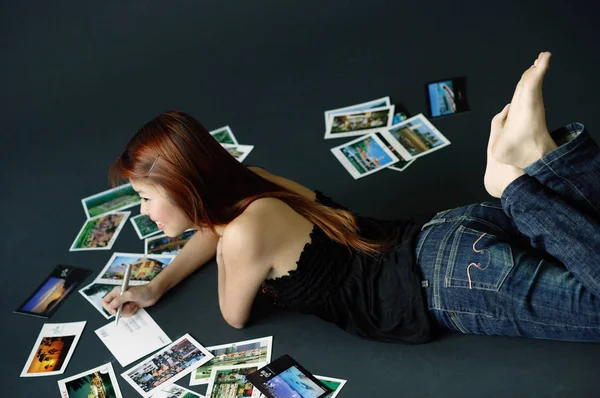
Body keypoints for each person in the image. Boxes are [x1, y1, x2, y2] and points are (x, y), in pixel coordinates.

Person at [102, 52, 600, 344]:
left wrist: (208, 234)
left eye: (145, 197)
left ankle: (513, 186)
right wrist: (158, 284)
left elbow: (235, 314)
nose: (143, 212)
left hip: (451, 282)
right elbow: (222, 228)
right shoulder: (249, 182)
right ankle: (542, 157)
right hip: (440, 233)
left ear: (185, 190)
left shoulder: (241, 235)